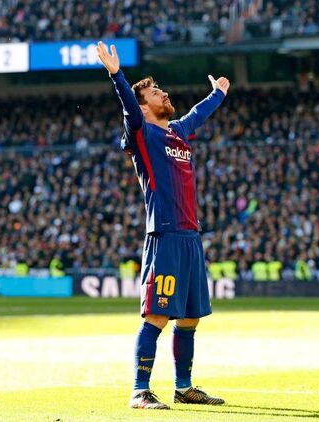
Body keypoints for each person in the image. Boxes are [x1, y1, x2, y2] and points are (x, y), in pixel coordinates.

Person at [98, 41, 229, 410]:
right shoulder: (142, 131)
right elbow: (128, 104)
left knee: (189, 319)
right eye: (156, 92)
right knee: (156, 315)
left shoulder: (177, 132)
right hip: (165, 235)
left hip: (190, 236)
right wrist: (116, 75)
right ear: (144, 107)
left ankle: (183, 387)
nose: (164, 93)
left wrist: (217, 94)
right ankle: (139, 390)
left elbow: (197, 115)